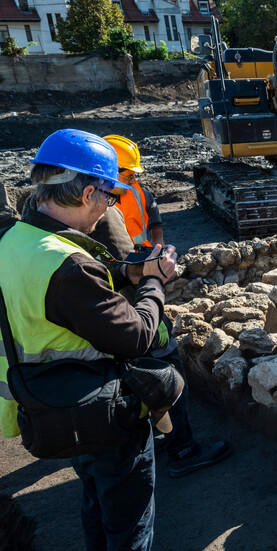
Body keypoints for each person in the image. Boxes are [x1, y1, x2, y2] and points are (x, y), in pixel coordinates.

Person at [0, 129, 179, 550]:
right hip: (100, 412)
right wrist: (154, 282)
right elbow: (135, 336)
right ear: (87, 194)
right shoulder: (67, 266)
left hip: (52, 404)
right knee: (129, 523)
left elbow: (65, 294)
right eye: (110, 197)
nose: (109, 206)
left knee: (96, 500)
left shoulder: (15, 242)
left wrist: (129, 272)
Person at [90, 141, 233, 477]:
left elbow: (151, 221)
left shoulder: (50, 221)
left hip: (117, 305)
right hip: (134, 302)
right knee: (167, 364)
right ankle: (182, 448)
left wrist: (153, 246)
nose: (127, 182)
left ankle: (159, 437)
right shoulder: (104, 211)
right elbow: (128, 267)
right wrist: (152, 272)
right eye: (124, 174)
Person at [104, 135, 165, 248]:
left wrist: (158, 238)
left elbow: (150, 201)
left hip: (140, 257)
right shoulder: (88, 202)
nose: (133, 181)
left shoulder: (133, 190)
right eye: (129, 176)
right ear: (110, 172)